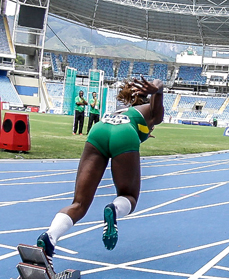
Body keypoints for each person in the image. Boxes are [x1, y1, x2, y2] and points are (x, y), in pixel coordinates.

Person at [37, 78, 164, 256]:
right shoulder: (152, 111)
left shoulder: (123, 110)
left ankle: (50, 236)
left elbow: (137, 124)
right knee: (129, 196)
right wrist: (157, 90)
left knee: (79, 203)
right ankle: (113, 209)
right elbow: (159, 86)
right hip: (124, 134)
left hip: (99, 130)